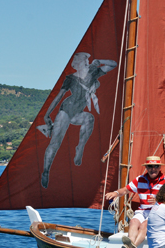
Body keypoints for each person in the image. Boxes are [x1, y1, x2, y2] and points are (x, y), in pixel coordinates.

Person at [39, 52, 117, 188]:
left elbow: (113, 64)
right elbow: (59, 96)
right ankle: (46, 171)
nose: (86, 61)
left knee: (89, 118)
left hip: (78, 112)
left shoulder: (94, 72)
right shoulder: (70, 78)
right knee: (55, 143)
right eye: (83, 60)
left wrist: (100, 59)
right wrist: (47, 114)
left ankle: (80, 147)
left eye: (87, 59)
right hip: (66, 110)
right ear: (78, 63)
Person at [105, 156, 165, 248]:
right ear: (146, 168)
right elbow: (125, 190)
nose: (153, 169)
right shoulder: (140, 179)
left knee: (144, 225)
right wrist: (115, 193)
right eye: (150, 166)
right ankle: (130, 243)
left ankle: (132, 247)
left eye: (156, 166)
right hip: (142, 211)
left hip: (157, 212)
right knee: (133, 222)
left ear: (160, 167)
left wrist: (158, 200)